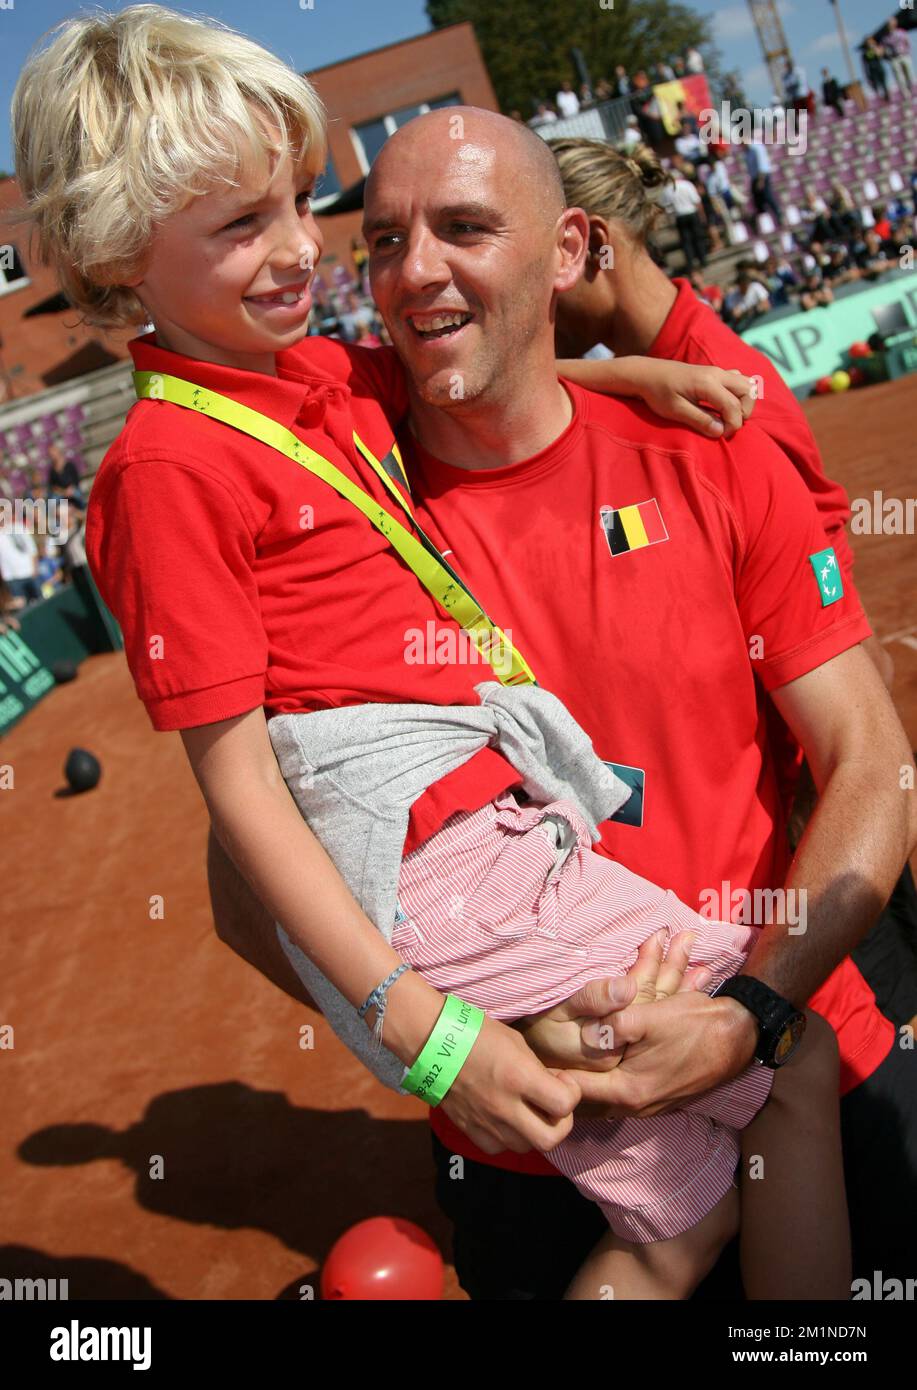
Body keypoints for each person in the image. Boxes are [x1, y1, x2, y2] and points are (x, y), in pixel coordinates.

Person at [212, 116, 917, 1304]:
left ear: (567, 246)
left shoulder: (710, 453)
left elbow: (871, 761)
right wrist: (463, 1047)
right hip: (545, 1148)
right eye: (384, 239)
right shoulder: (341, 524)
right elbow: (247, 893)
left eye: (467, 227)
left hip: (801, 1054)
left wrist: (748, 1009)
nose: (417, 269)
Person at [660, 165, 707, 272]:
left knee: (686, 241)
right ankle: (703, 260)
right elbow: (697, 201)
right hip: (691, 213)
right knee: (698, 238)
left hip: (680, 216)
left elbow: (667, 208)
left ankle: (690, 263)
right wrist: (702, 215)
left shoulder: (667, 190)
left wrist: (670, 220)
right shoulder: (687, 185)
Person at [744, 136, 782, 224]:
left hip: (762, 176)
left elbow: (762, 164)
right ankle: (762, 221)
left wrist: (761, 180)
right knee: (758, 201)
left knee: (768, 196)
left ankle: (778, 215)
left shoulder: (756, 148)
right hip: (755, 178)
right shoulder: (747, 152)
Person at [885, 18, 914, 95]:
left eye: (890, 23)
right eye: (888, 24)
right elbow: (886, 49)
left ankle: (913, 91)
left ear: (895, 23)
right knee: (899, 78)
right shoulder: (886, 37)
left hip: (905, 55)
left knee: (909, 75)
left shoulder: (902, 32)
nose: (889, 25)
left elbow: (907, 42)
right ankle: (906, 94)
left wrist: (908, 53)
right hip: (895, 58)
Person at [863, 37, 890, 103]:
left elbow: (881, 55)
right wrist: (867, 76)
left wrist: (875, 49)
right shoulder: (865, 53)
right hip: (872, 71)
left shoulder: (877, 48)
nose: (869, 44)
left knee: (884, 85)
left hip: (879, 69)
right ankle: (880, 100)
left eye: (871, 42)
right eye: (868, 42)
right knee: (876, 88)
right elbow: (865, 65)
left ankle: (887, 99)